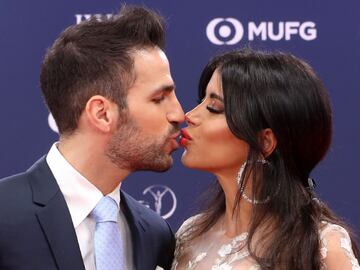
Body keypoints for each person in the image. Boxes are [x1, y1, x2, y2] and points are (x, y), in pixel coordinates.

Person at [0, 5, 184, 270]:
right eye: (159, 99)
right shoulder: (4, 214)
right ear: (102, 113)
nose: (179, 114)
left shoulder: (156, 236)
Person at [173, 49, 360, 270]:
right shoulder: (189, 235)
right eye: (201, 100)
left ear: (265, 142)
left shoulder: (323, 246)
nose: (190, 115)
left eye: (214, 108)